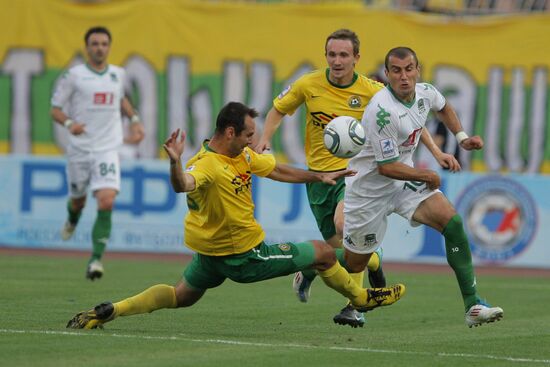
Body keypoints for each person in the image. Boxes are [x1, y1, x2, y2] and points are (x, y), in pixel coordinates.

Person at [66, 102, 405, 329]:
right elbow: (182, 184)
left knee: (179, 296)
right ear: (230, 133)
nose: (252, 142)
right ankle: (361, 298)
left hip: (209, 256)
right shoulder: (206, 165)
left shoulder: (238, 156)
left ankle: (109, 311)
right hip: (243, 256)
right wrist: (173, 161)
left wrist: (317, 176)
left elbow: (276, 171)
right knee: (323, 252)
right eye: (248, 136)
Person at [254, 29, 451, 328]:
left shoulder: (374, 91)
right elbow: (278, 110)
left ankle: (354, 306)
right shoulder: (308, 84)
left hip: (356, 175)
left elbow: (413, 120)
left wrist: (436, 153)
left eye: (344, 55)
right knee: (343, 251)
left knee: (344, 225)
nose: (337, 60)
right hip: (319, 178)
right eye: (332, 54)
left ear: (356, 58)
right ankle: (340, 264)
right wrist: (265, 140)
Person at [342, 47, 503, 327]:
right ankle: (312, 263)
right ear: (388, 74)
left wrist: (461, 138)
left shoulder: (425, 92)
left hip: (402, 183)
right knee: (353, 263)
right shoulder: (382, 111)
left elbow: (443, 107)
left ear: (418, 70)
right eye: (396, 71)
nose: (404, 76)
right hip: (370, 189)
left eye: (408, 69)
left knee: (451, 222)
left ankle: (473, 304)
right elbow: (386, 167)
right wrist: (426, 175)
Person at [51, 26, 145, 280]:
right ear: (87, 47)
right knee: (79, 201)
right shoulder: (74, 76)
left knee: (106, 200)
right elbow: (56, 109)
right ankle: (72, 218)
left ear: (109, 47)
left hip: (107, 149)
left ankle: (96, 260)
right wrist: (70, 124)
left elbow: (121, 100)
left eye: (104, 43)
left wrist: (135, 119)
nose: (99, 48)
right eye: (95, 43)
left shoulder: (118, 74)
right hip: (80, 149)